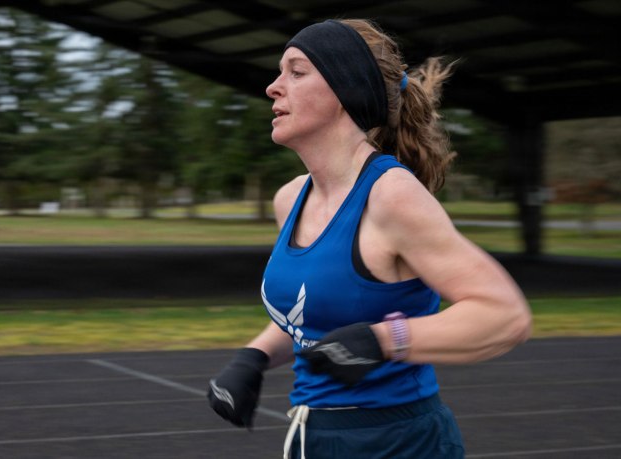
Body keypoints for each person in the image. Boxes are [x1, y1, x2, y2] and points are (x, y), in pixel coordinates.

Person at [207, 18, 532, 459]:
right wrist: (255, 357)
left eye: (296, 71)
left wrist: (384, 340)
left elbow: (503, 316)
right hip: (316, 438)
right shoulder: (290, 200)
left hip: (398, 441)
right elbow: (317, 310)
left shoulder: (391, 197)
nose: (273, 87)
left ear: (346, 91)